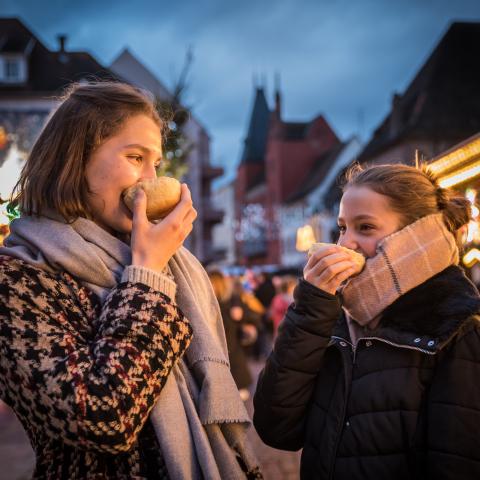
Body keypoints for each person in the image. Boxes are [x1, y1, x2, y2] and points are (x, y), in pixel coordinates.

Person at [0, 81, 261, 480]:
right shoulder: (15, 279)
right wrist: (146, 276)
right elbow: (103, 417)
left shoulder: (176, 266)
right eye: (135, 157)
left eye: (156, 162)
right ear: (75, 159)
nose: (149, 178)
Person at [254, 163, 480, 479]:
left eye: (366, 227)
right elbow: (276, 428)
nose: (346, 242)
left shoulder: (457, 327)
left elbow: (457, 462)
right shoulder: (336, 314)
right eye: (343, 227)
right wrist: (310, 312)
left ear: (416, 235)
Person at [208, 271, 259, 401]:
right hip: (222, 353)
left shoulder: (230, 301)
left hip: (231, 352)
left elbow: (248, 318)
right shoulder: (213, 302)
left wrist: (242, 319)